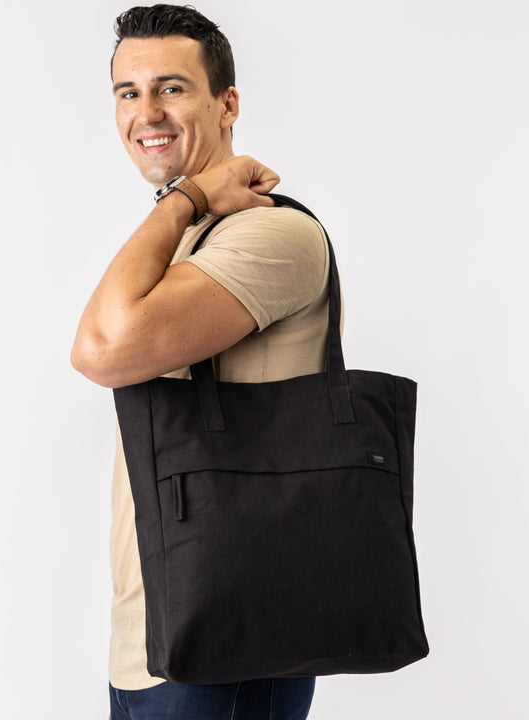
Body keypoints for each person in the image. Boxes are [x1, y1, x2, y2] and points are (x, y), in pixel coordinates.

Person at [71, 4, 332, 718]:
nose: (146, 113)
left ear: (228, 104)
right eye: (128, 92)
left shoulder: (270, 236)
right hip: (152, 639)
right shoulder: (186, 239)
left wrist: (182, 196)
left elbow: (99, 350)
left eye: (172, 88)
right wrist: (184, 206)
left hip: (229, 644)